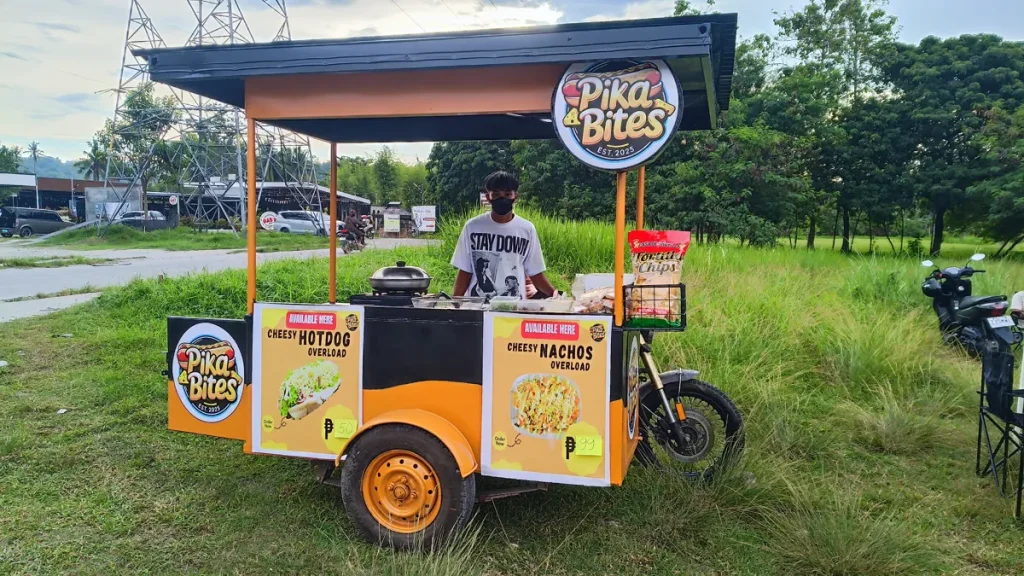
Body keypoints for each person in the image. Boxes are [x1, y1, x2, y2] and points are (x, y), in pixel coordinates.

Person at [452, 171, 556, 299]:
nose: (502, 199)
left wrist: (554, 295)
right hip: (478, 305)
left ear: (515, 196)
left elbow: (535, 273)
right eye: (496, 194)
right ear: (488, 197)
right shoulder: (473, 227)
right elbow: (465, 271)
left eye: (507, 194)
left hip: (514, 305)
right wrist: (454, 303)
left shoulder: (526, 229)